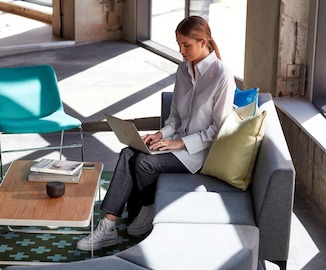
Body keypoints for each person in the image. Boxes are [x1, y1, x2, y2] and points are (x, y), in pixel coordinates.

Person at [76, 15, 236, 251]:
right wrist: (160, 135)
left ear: (204, 42)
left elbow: (217, 130)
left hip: (199, 152)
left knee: (145, 163)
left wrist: (179, 143)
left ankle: (148, 208)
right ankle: (108, 227)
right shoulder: (183, 70)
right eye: (179, 44)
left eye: (186, 45)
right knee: (129, 152)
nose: (181, 51)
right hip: (176, 143)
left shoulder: (221, 76)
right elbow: (175, 117)